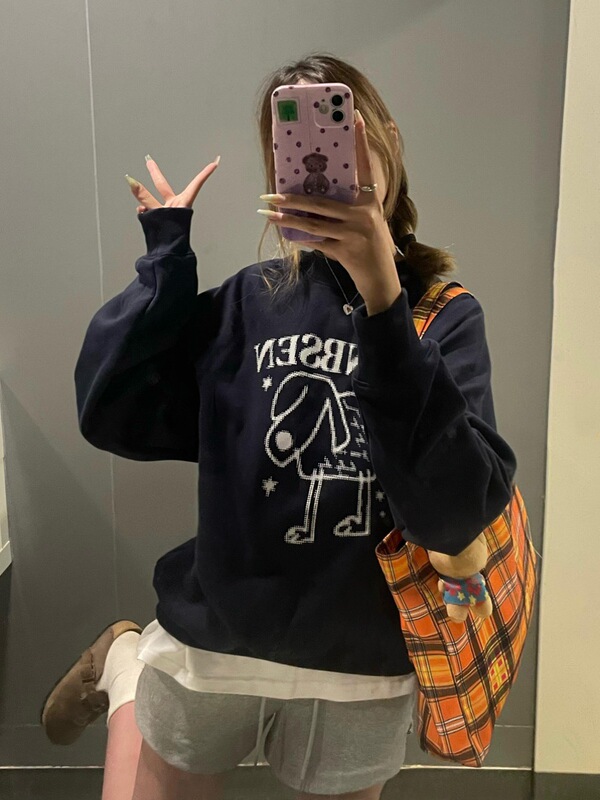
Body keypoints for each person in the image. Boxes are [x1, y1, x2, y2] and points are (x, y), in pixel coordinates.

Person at [41, 53, 517, 800]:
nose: (322, 159)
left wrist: (385, 306)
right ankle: (128, 661)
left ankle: (125, 657)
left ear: (388, 141)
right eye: (292, 146)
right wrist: (165, 266)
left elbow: (454, 514)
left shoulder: (444, 317)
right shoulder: (248, 302)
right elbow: (113, 411)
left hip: (362, 663)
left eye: (345, 131)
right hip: (214, 646)